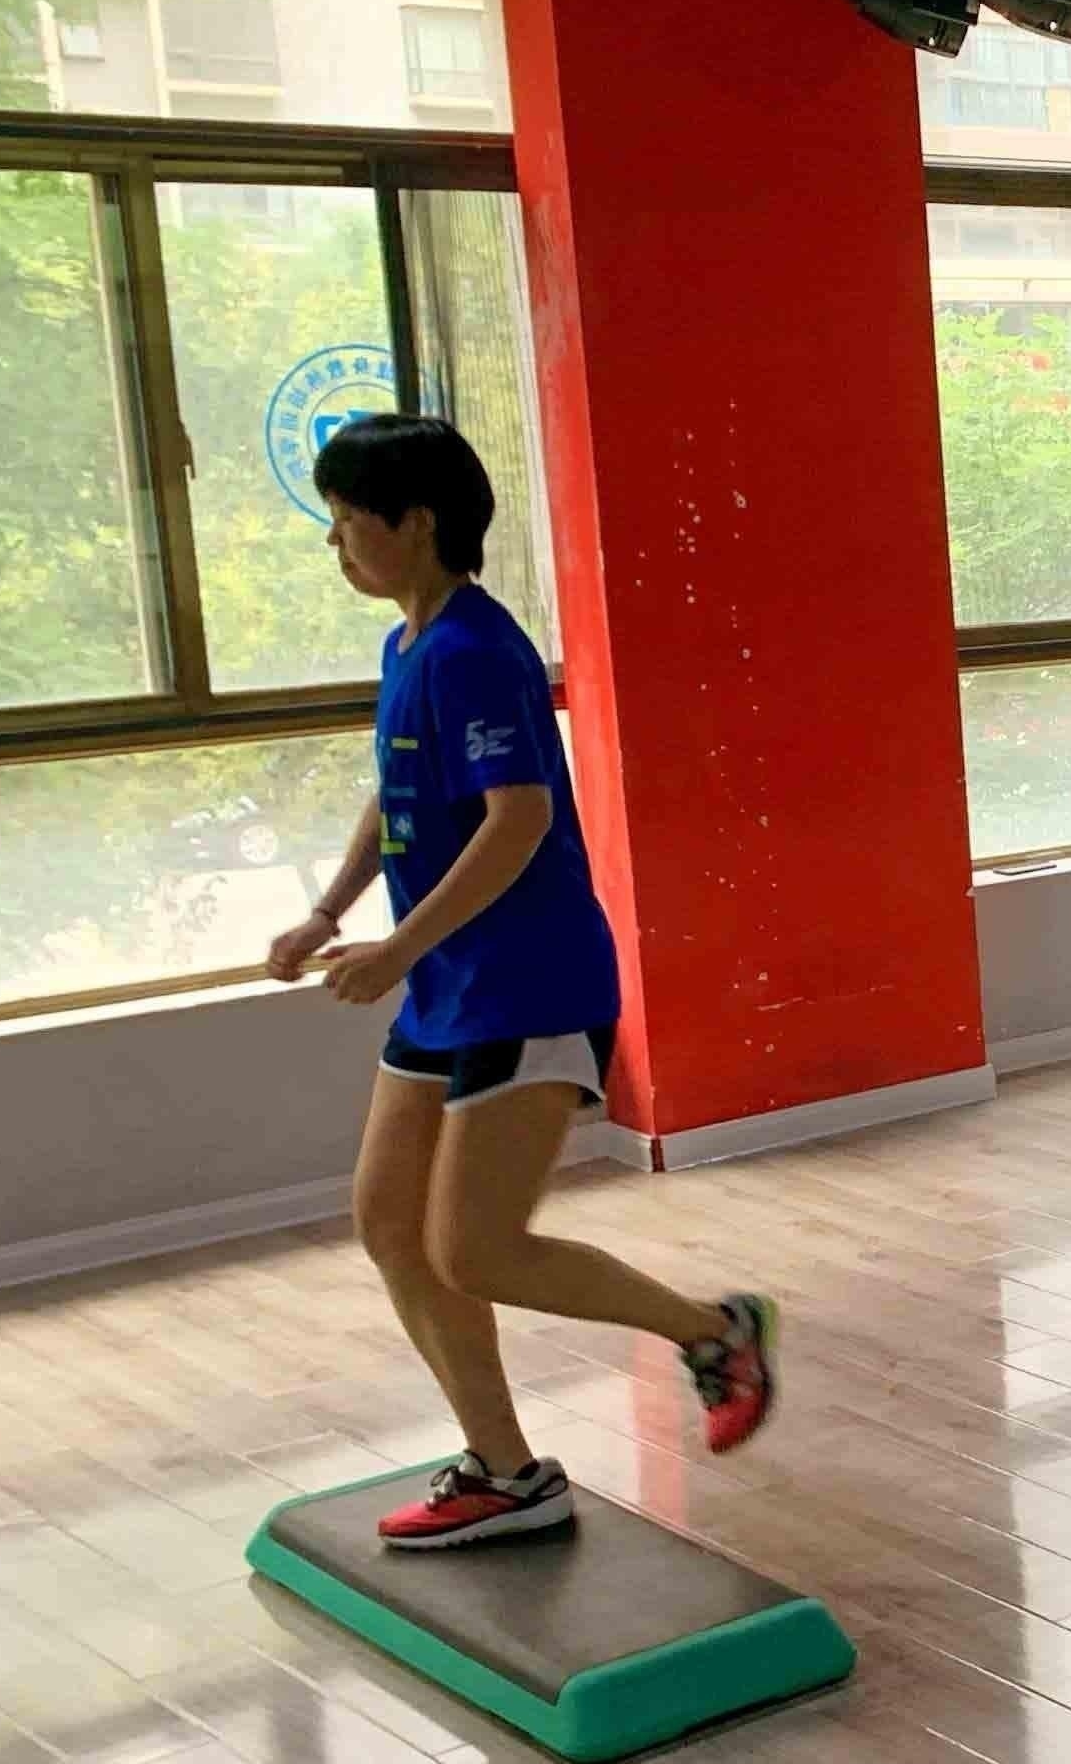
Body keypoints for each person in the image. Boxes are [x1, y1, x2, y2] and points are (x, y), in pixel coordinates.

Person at [263, 415, 775, 1547]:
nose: (336, 543)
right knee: (390, 1225)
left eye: (347, 521)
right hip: (447, 987)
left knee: (477, 1249)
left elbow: (519, 821)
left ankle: (713, 1331)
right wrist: (330, 912)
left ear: (416, 523)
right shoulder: (408, 648)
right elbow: (399, 796)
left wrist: (396, 949)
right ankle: (505, 1469)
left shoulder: (478, 652)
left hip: (528, 985)